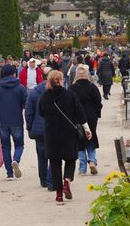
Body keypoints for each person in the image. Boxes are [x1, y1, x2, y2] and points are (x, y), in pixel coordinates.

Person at [39, 70, 92, 205]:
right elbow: (80, 113)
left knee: (55, 163)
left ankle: (58, 195)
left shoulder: (45, 96)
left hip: (52, 133)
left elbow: (41, 112)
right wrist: (86, 128)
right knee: (70, 159)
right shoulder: (70, 95)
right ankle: (67, 181)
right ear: (61, 80)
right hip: (68, 132)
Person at [0, 64, 28, 180]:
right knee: (19, 144)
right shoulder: (20, 87)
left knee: (5, 147)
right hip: (16, 120)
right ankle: (16, 159)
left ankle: (9, 173)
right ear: (14, 74)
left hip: (3, 121)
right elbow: (27, 104)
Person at [69, 65, 103, 175]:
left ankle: (82, 167)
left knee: (80, 138)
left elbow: (69, 103)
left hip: (77, 116)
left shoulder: (72, 88)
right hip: (91, 114)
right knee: (91, 136)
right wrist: (97, 112)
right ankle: (92, 160)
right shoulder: (92, 87)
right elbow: (98, 102)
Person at [25, 79, 52, 190]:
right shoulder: (55, 92)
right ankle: (51, 179)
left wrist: (30, 127)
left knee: (41, 155)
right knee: (53, 155)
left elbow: (28, 112)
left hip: (39, 129)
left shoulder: (33, 93)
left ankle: (43, 179)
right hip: (52, 128)